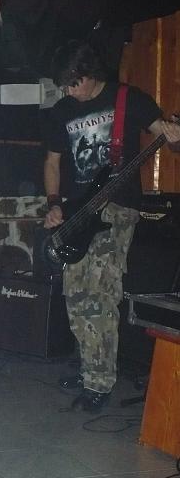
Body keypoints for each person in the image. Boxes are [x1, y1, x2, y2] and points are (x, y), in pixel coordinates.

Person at [43, 40, 180, 413]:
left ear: (89, 74)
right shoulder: (62, 111)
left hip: (117, 208)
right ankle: (89, 366)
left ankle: (99, 383)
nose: (69, 91)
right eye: (64, 85)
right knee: (75, 293)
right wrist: (54, 204)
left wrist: (174, 138)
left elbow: (168, 138)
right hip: (78, 211)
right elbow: (52, 161)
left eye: (73, 83)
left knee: (100, 293)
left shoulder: (127, 99)